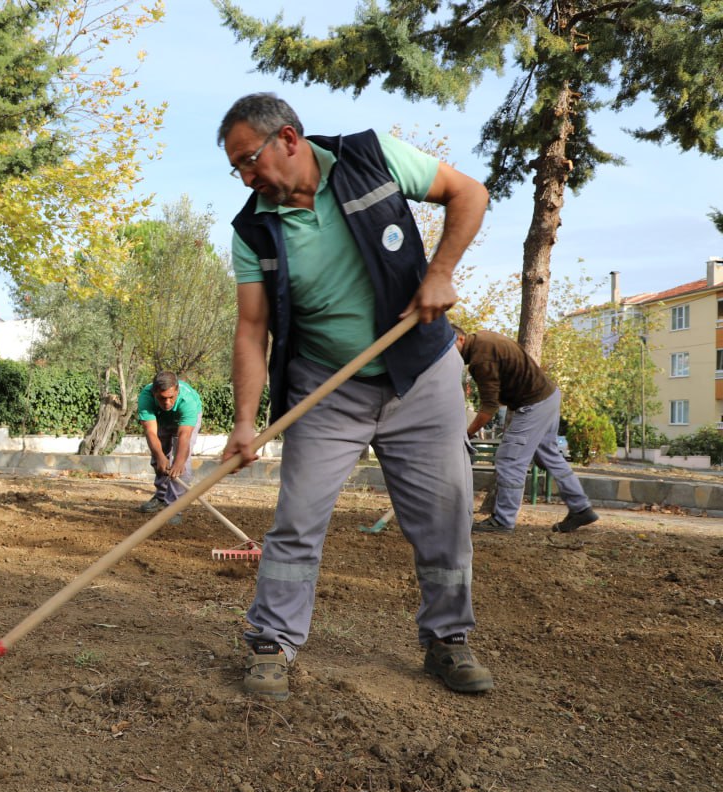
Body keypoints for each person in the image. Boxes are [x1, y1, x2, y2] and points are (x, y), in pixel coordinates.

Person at [218, 92, 493, 699]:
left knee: (445, 517)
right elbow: (252, 330)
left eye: (249, 160)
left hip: (421, 374)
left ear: (288, 139)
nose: (245, 177)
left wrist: (440, 272)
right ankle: (272, 641)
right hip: (326, 388)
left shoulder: (373, 157)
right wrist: (244, 422)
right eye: (235, 168)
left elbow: (469, 193)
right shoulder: (252, 230)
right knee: (297, 519)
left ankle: (448, 640)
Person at [454, 326, 599, 534]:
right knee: (549, 456)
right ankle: (581, 508)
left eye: (449, 348)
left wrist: (467, 434)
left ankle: (503, 520)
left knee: (509, 459)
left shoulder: (480, 359)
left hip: (534, 403)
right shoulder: (483, 339)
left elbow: (489, 407)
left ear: (460, 339)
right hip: (548, 396)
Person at [135, 371, 202, 524]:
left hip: (185, 421)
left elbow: (184, 435)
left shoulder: (188, 401)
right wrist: (160, 456)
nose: (167, 403)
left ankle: (174, 507)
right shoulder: (146, 398)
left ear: (177, 391)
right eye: (162, 398)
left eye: (171, 397)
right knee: (158, 458)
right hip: (160, 418)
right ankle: (161, 497)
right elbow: (150, 432)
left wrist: (179, 461)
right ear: (154, 393)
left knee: (182, 466)